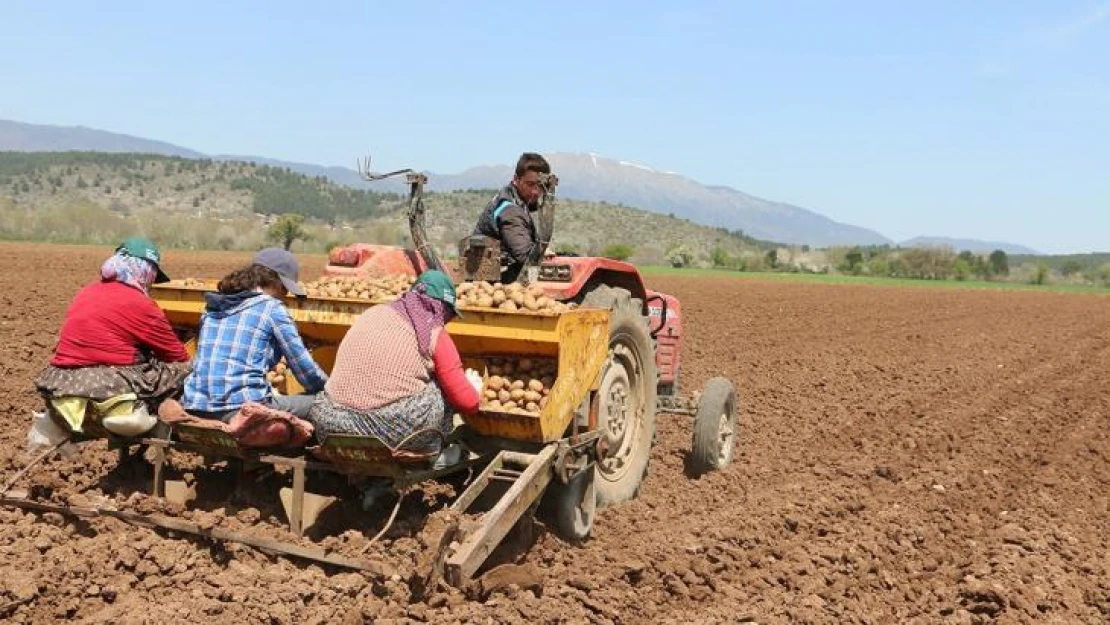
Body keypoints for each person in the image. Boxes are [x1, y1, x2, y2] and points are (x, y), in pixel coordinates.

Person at [308, 269, 481, 455]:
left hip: (330, 425)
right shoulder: (434, 333)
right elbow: (467, 403)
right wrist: (474, 386)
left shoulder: (371, 313)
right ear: (442, 308)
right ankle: (433, 454)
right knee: (443, 389)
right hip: (390, 432)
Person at [34, 237, 192, 421]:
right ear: (145, 270)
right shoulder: (141, 304)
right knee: (189, 370)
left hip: (60, 381)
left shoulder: (86, 292)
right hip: (105, 384)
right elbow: (177, 357)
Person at [182, 248, 327, 422]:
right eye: (285, 289)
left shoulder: (214, 305)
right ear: (276, 283)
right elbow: (307, 372)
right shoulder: (272, 308)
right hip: (241, 408)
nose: (285, 295)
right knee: (322, 404)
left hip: (194, 405)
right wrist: (333, 393)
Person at [471, 152, 556, 283]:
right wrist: (542, 252)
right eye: (530, 184)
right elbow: (525, 256)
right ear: (516, 179)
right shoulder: (510, 211)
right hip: (495, 282)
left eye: (540, 186)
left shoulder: (516, 200)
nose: (535, 191)